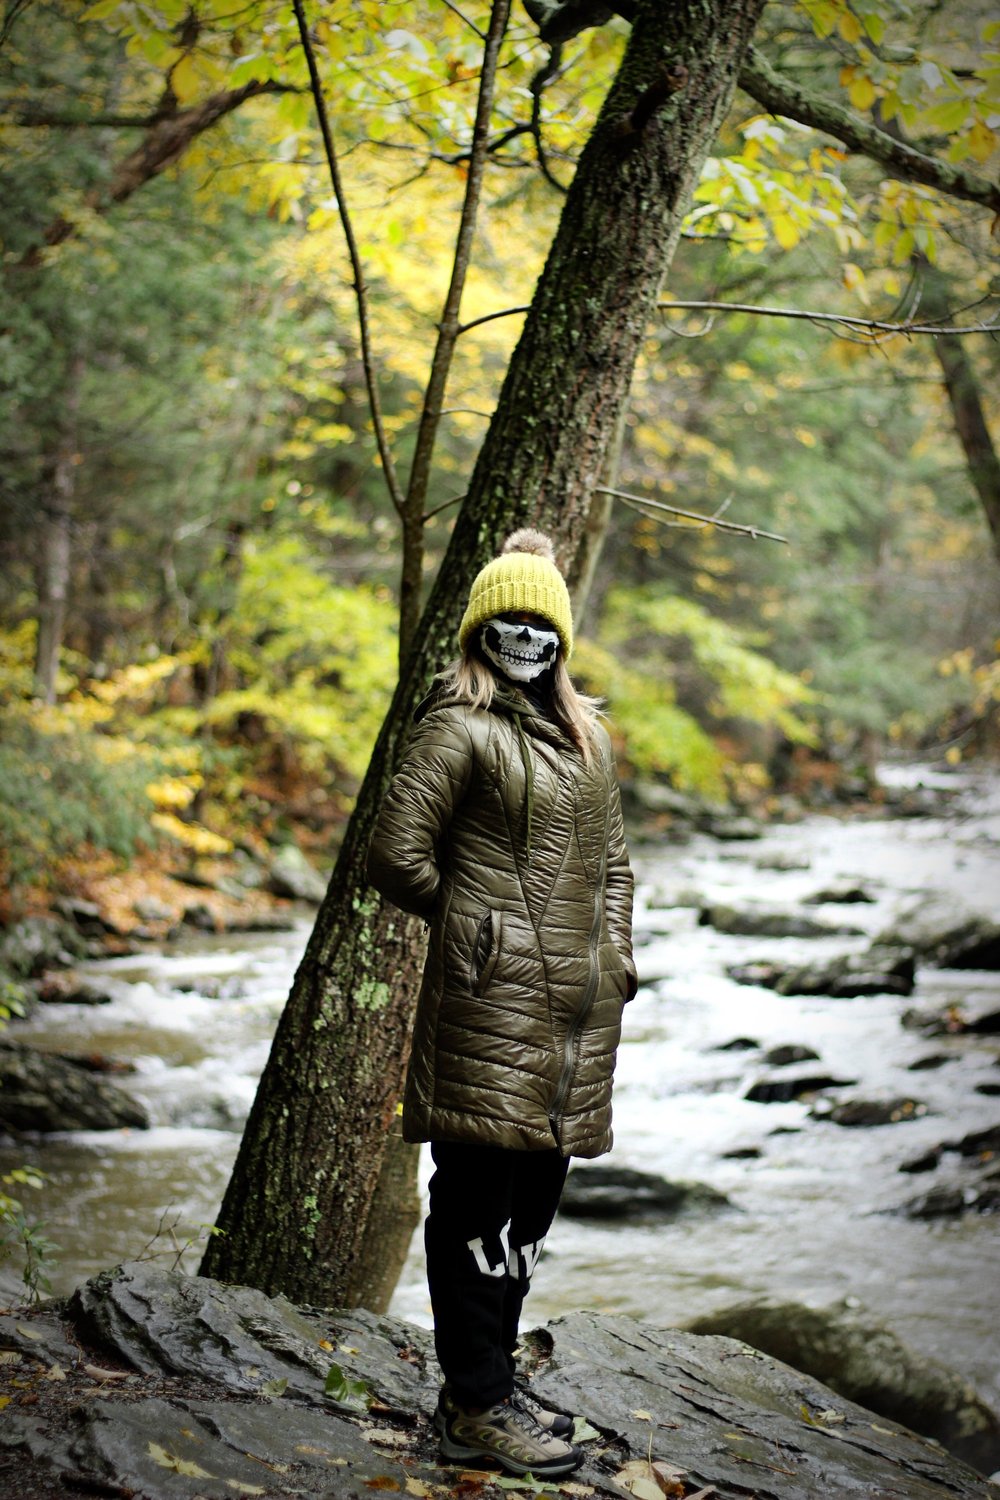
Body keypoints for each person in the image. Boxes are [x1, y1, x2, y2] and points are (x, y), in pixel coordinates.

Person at [367, 528, 637, 1478]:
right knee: (477, 1205)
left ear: (561, 637)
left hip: (576, 1018)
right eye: (507, 622)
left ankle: (485, 1384)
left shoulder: (587, 736)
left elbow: (614, 870)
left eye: (540, 624)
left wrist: (616, 959)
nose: (525, 637)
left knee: (529, 1216)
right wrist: (479, 926)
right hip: (489, 1007)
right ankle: (475, 1407)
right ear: (482, 631)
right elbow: (395, 854)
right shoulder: (457, 725)